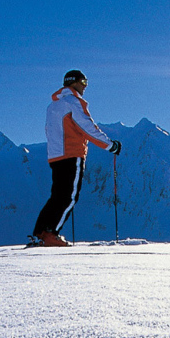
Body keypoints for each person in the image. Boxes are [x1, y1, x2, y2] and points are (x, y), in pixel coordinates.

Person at [31, 70, 122, 246]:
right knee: (69, 197)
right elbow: (87, 127)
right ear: (75, 82)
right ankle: (51, 234)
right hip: (72, 154)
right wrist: (110, 145)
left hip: (55, 156)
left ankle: (40, 233)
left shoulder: (53, 106)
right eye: (84, 82)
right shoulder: (74, 102)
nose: (85, 86)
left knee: (56, 196)